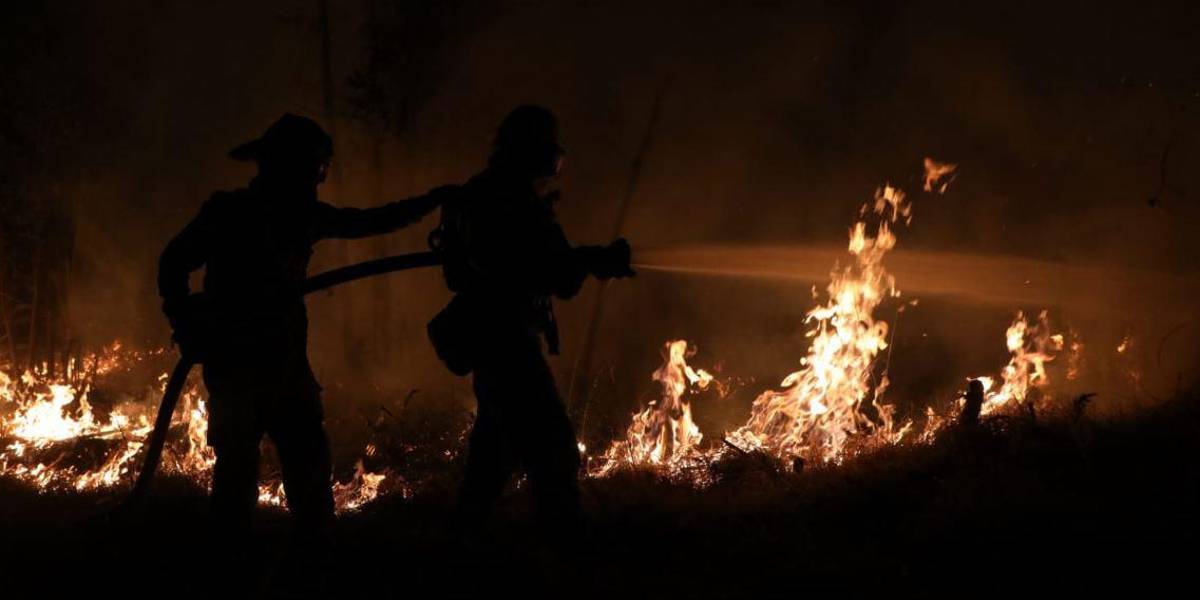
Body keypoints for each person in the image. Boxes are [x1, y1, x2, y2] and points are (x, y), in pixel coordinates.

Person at [157, 113, 446, 584]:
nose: (318, 179)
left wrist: (431, 202)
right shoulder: (229, 213)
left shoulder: (300, 216)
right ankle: (233, 571)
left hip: (285, 369)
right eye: (315, 168)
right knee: (240, 479)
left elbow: (371, 221)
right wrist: (186, 319)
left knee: (306, 474)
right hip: (239, 369)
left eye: (321, 170)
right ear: (289, 167)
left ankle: (305, 566)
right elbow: (173, 264)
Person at [427, 105, 634, 542]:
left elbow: (538, 265)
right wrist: (598, 260)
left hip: (490, 340)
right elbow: (555, 275)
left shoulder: (484, 193)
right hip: (507, 343)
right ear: (534, 150)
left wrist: (589, 259)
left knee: (492, 458)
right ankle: (565, 552)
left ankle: (455, 553)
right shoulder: (514, 200)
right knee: (555, 450)